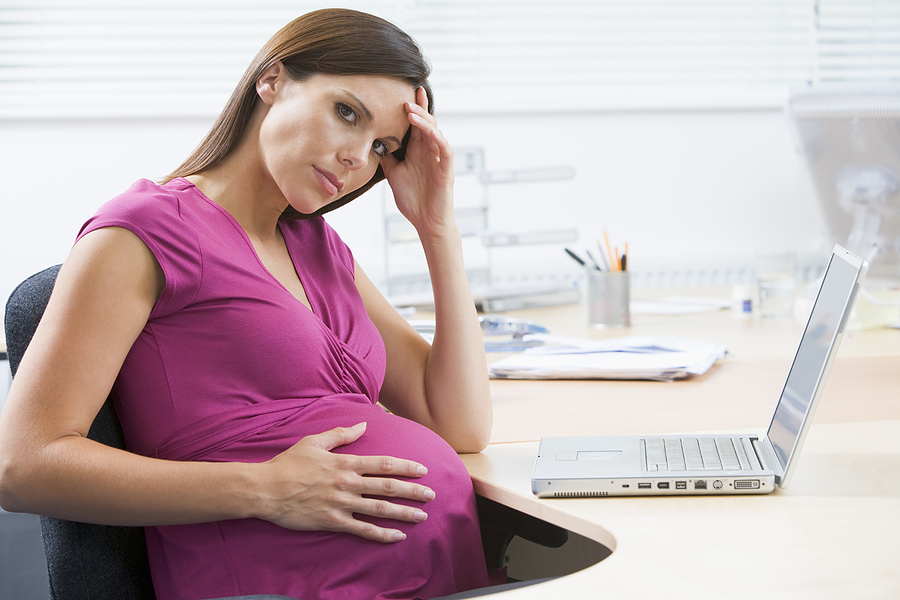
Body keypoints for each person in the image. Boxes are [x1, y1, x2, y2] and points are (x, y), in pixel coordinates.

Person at [0, 9, 495, 600]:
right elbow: (24, 466)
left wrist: (438, 231)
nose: (357, 159)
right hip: (270, 583)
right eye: (346, 112)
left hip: (423, 576)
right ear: (273, 80)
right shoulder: (142, 233)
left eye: (382, 146)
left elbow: (460, 424)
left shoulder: (319, 247)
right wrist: (265, 488)